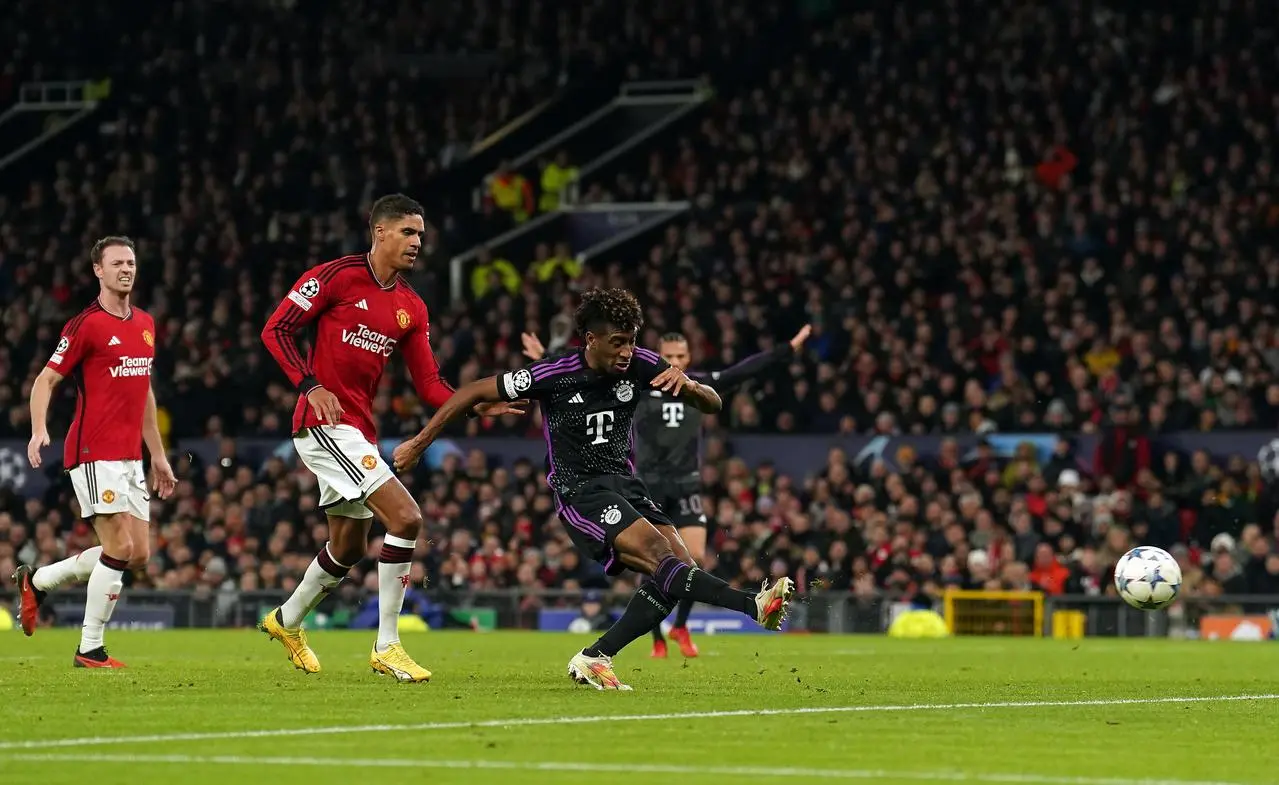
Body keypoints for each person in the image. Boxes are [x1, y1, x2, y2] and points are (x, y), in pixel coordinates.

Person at [393, 288, 795, 690]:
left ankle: (594, 657)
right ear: (591, 340)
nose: (627, 351)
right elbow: (470, 391)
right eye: (618, 343)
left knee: (676, 573)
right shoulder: (553, 373)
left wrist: (688, 387)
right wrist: (418, 442)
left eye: (633, 341)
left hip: (626, 484)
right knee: (663, 559)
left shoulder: (643, 364)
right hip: (580, 492)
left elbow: (713, 403)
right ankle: (753, 605)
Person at [258, 194, 524, 682]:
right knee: (406, 517)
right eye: (408, 232)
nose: (417, 242)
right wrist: (310, 385)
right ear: (379, 232)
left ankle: (286, 620)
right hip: (322, 425)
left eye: (421, 234)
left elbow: (429, 385)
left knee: (348, 547)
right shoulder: (334, 277)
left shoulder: (411, 307)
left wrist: (475, 403)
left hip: (358, 430)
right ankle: (388, 645)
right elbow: (276, 331)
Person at [522, 325, 811, 658]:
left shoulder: (694, 385)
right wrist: (545, 360)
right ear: (659, 356)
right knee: (661, 562)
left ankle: (677, 628)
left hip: (686, 483)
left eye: (680, 356)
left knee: (692, 559)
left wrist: (786, 349)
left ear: (688, 358)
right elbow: (582, 380)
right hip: (646, 483)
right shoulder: (640, 381)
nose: (674, 362)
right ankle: (657, 638)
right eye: (668, 356)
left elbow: (742, 372)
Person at [12, 236, 177, 668]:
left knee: (138, 554)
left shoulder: (145, 323)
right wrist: (38, 430)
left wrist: (157, 455)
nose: (127, 269)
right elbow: (45, 380)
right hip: (91, 451)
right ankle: (90, 648)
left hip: (129, 457)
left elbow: (144, 392)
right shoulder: (85, 324)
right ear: (98, 271)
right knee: (118, 546)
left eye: (131, 262)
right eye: (117, 263)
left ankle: (41, 580)